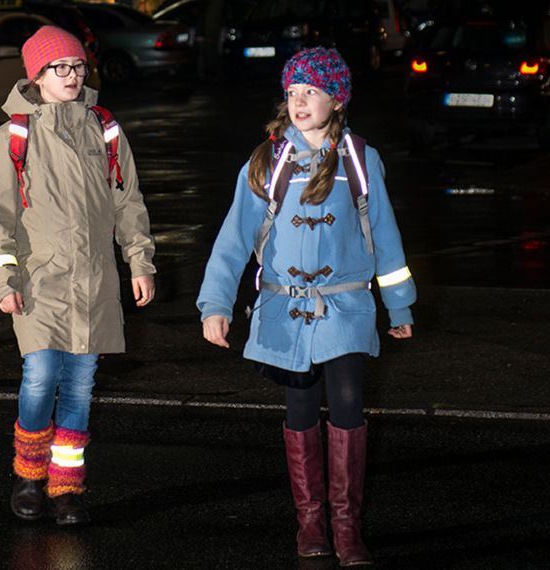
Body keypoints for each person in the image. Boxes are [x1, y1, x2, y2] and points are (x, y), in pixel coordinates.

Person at [196, 47, 415, 565]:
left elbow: (385, 236)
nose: (299, 101)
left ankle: (347, 527)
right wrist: (215, 304)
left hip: (346, 309)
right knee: (299, 409)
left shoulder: (360, 159)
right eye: (292, 92)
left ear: (336, 100)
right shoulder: (267, 161)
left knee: (346, 404)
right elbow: (233, 238)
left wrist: (400, 305)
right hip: (283, 311)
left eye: (311, 92)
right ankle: (310, 524)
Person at [0, 26, 156, 526]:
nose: (72, 75)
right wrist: (4, 280)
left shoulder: (105, 128)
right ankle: (29, 475)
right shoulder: (13, 136)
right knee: (39, 378)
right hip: (40, 283)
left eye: (78, 66)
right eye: (60, 68)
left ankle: (65, 489)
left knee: (79, 387)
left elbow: (128, 203)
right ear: (36, 76)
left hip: (95, 283)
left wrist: (139, 262)